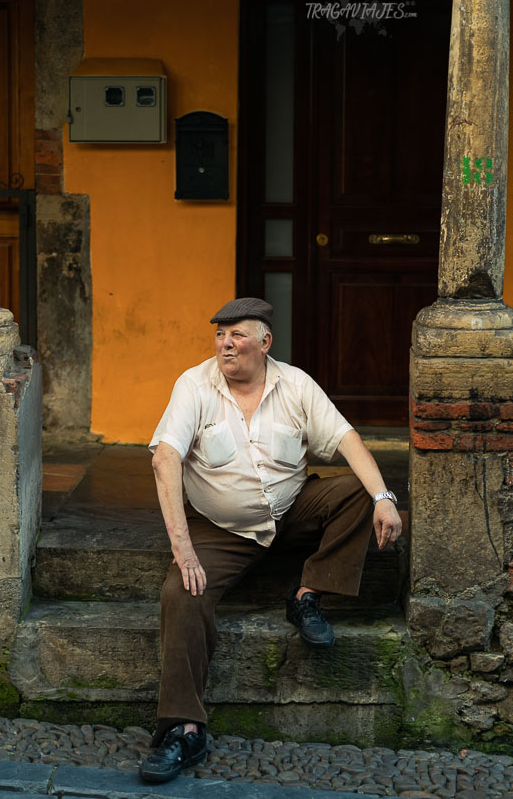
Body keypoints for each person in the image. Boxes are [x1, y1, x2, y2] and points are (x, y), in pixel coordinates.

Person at [139, 297, 402, 784]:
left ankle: (307, 595)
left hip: (291, 513)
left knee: (357, 494)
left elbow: (346, 439)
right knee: (180, 592)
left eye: (236, 334)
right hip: (221, 530)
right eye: (219, 334)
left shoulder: (295, 384)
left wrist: (384, 495)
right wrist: (183, 547)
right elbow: (164, 459)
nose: (225, 344)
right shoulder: (194, 384)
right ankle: (183, 728)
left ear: (264, 342)